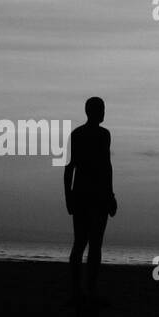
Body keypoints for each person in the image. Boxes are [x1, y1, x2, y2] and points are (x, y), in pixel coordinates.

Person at [64, 96, 117, 300]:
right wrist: (68, 197)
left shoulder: (83, 134)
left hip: (88, 196)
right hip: (91, 196)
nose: (104, 113)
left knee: (86, 243)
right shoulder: (99, 135)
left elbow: (104, 166)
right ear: (93, 112)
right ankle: (83, 290)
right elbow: (101, 166)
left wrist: (68, 196)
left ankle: (84, 290)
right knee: (89, 244)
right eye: (102, 109)